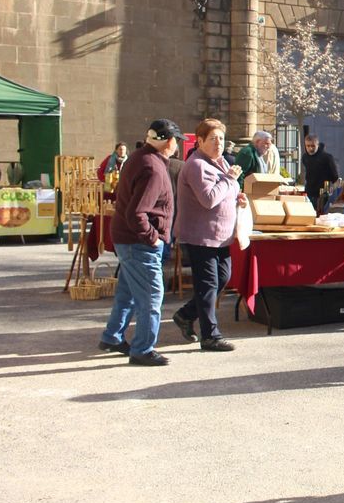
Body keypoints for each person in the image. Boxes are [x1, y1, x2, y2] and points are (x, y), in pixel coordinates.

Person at [98, 119, 184, 366]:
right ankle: (143, 348)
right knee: (151, 296)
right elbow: (137, 213)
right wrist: (153, 238)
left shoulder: (141, 158)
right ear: (169, 142)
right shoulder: (153, 168)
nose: (176, 144)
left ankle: (112, 337)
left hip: (129, 240)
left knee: (127, 293)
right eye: (175, 140)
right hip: (140, 243)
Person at [171, 119, 247, 352]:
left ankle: (185, 315)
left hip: (221, 235)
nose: (218, 143)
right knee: (208, 284)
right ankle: (210, 335)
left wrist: (238, 197)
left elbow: (226, 191)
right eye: (213, 139)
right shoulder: (196, 166)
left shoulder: (221, 162)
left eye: (221, 139)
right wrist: (230, 180)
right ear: (200, 141)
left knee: (222, 278)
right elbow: (209, 199)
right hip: (200, 235)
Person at [301, 134, 340, 213]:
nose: (310, 148)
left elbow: (335, 175)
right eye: (308, 146)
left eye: (313, 146)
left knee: (322, 212)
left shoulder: (327, 157)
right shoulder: (305, 157)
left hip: (325, 188)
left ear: (317, 145)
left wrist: (328, 188)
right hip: (310, 189)